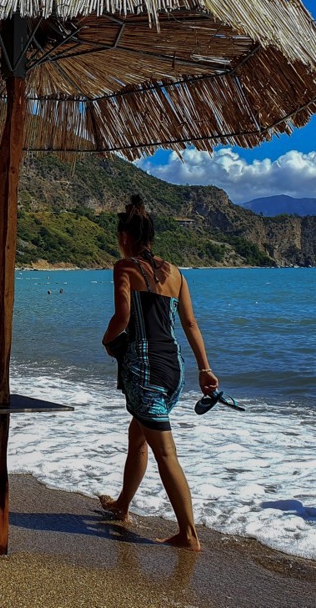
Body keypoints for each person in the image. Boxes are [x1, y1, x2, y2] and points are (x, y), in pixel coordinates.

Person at [99, 195, 218, 552]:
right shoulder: (177, 273)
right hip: (174, 370)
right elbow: (190, 323)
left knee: (165, 452)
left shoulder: (124, 267)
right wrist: (205, 369)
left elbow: (122, 318)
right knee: (138, 436)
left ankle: (188, 534)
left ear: (124, 237)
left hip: (145, 371)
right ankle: (122, 505)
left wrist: (107, 342)